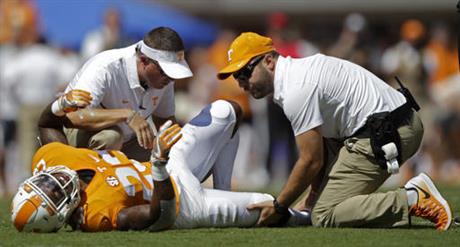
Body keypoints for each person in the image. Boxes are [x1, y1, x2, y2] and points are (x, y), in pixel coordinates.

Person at [217, 32, 452, 230]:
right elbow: (325, 147)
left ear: (269, 61)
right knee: (318, 206)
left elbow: (311, 160)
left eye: (245, 72)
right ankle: (409, 198)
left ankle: (412, 198)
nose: (241, 82)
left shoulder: (295, 88)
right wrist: (309, 200)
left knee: (325, 214)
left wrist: (279, 207)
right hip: (391, 124)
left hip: (389, 131)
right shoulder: (296, 74)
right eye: (237, 76)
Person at [11, 96, 310, 232]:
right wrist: (158, 164)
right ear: (59, 215)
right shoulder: (95, 215)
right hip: (183, 202)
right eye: (52, 193)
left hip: (167, 163)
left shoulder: (53, 161)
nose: (54, 181)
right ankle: (311, 217)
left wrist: (59, 105)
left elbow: (47, 123)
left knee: (225, 110)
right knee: (267, 205)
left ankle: (223, 187)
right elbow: (160, 217)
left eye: (43, 183)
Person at [39, 26, 193, 162]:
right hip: (80, 132)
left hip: (128, 139)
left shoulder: (163, 80)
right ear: (145, 61)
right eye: (165, 72)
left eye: (173, 75)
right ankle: (89, 184)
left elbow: (165, 122)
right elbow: (74, 117)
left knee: (166, 154)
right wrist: (127, 115)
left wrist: (177, 148)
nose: (171, 79)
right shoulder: (106, 67)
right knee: (111, 137)